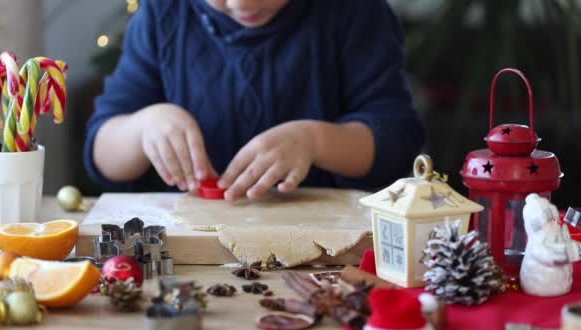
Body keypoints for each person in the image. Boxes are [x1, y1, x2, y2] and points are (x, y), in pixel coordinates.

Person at [84, 0, 425, 201]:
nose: (241, 4)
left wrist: (315, 141)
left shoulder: (354, 12)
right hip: (189, 251)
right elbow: (102, 154)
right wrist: (144, 127)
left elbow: (397, 143)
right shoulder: (163, 15)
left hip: (320, 254)